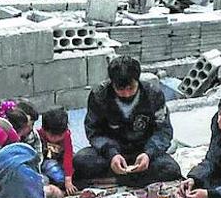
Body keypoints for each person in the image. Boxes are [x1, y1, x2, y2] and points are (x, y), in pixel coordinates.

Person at [73, 56, 182, 188]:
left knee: (171, 169)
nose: (125, 94)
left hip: (143, 149)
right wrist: (112, 154)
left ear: (137, 81)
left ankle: (117, 180)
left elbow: (163, 131)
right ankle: (132, 179)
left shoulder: (153, 94)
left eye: (130, 88)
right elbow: (94, 132)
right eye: (120, 89)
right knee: (81, 160)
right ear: (112, 83)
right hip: (112, 151)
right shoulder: (99, 95)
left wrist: (148, 153)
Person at [38, 108, 77, 195]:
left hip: (60, 160)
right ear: (44, 130)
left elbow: (68, 155)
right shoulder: (39, 135)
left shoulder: (66, 136)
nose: (56, 139)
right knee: (54, 172)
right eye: (52, 136)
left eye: (60, 136)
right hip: (45, 162)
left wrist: (68, 178)